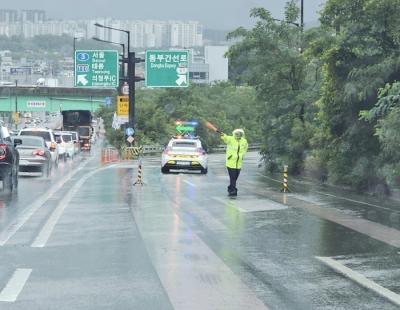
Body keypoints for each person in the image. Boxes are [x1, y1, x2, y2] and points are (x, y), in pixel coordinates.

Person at [220, 129, 248, 196]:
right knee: (232, 177)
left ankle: (230, 187)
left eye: (240, 134)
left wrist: (242, 155)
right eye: (237, 133)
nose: (238, 135)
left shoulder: (244, 141)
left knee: (235, 177)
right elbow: (225, 138)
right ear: (234, 134)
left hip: (239, 163)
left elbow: (245, 148)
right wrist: (223, 135)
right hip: (231, 162)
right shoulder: (230, 139)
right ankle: (233, 191)